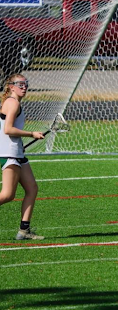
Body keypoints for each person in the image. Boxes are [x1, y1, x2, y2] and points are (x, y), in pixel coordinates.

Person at [0, 74, 45, 240]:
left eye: (26, 84)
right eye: (20, 84)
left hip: (16, 153)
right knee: (7, 195)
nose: (24, 87)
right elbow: (8, 129)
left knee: (32, 188)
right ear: (11, 86)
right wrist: (31, 133)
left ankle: (23, 231)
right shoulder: (12, 103)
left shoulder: (13, 103)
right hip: (9, 154)